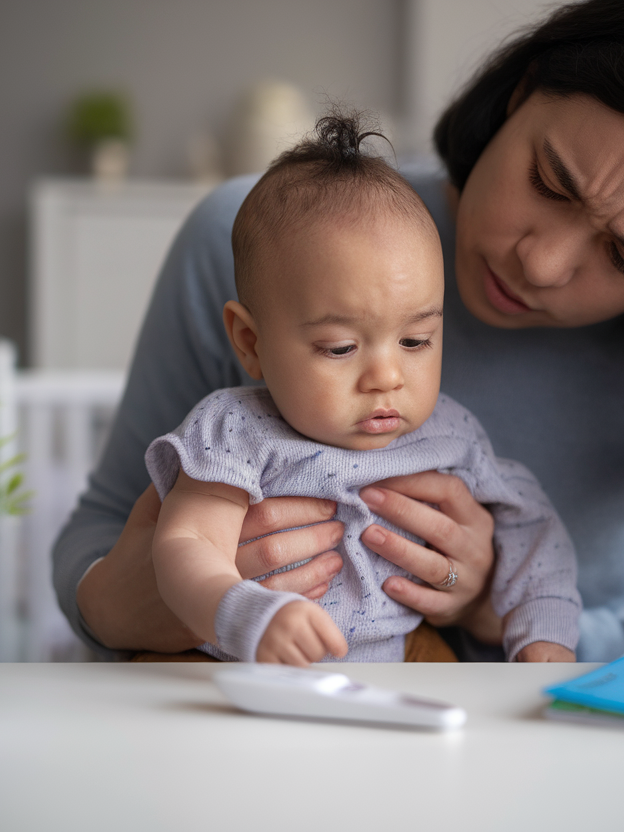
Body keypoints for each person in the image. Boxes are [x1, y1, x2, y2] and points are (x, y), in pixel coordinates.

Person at [56, 0, 624, 662]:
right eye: (550, 180)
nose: (543, 261)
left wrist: (500, 613)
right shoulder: (253, 241)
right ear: (523, 91)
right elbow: (94, 539)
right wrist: (155, 597)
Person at [143, 113, 579, 665]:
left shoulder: (453, 435)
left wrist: (543, 632)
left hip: (400, 654)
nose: (387, 378)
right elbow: (186, 546)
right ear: (250, 342)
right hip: (234, 657)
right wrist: (244, 612)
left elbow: (535, 527)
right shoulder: (236, 432)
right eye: (341, 348)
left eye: (416, 340)